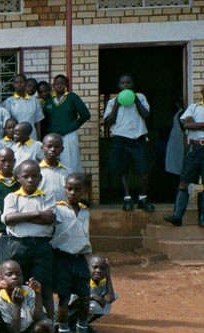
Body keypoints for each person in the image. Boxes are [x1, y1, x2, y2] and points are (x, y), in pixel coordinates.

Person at [1, 159, 57, 333]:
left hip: (41, 246)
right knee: (16, 287)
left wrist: (22, 216)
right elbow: (9, 219)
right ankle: (19, 329)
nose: (30, 180)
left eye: (34, 176)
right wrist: (37, 214)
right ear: (18, 178)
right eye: (25, 176)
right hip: (19, 245)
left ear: (40, 178)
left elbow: (49, 219)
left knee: (44, 288)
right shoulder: (11, 197)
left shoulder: (47, 196)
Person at [51, 173, 97, 333]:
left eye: (78, 190)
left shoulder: (85, 212)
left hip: (80, 259)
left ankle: (82, 330)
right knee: (64, 298)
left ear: (85, 191)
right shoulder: (58, 210)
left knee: (85, 297)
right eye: (69, 189)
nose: (73, 193)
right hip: (62, 258)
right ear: (64, 189)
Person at [103, 74, 153, 211]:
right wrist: (116, 106)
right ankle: (127, 198)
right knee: (122, 169)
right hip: (120, 138)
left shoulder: (141, 97)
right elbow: (107, 123)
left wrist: (136, 101)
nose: (125, 85)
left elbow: (146, 115)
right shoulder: (112, 102)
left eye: (128, 83)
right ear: (119, 86)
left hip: (139, 137)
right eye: (123, 83)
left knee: (143, 169)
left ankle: (143, 198)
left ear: (132, 85)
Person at [0, 260, 54, 333]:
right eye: (9, 274)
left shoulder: (28, 291)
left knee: (47, 323)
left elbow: (38, 317)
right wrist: (17, 305)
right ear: (1, 279)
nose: (14, 277)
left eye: (18, 274)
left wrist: (38, 294)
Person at [164, 85, 204, 226]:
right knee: (184, 181)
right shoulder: (194, 107)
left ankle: (202, 218)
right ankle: (178, 215)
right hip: (193, 148)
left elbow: (191, 124)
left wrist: (195, 124)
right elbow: (186, 125)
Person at [42, 75, 91, 173]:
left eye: (62, 83)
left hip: (69, 135)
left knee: (71, 162)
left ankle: (72, 184)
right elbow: (44, 121)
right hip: (54, 138)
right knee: (54, 163)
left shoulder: (72, 97)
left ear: (66, 85)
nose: (59, 86)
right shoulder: (48, 102)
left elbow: (85, 115)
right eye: (57, 84)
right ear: (53, 86)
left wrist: (71, 127)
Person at [2, 74, 44, 141]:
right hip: (16, 138)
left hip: (32, 137)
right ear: (13, 84)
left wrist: (38, 140)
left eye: (21, 82)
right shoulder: (8, 102)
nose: (19, 84)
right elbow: (7, 124)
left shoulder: (34, 101)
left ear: (26, 83)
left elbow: (38, 122)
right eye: (16, 82)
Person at [39, 133, 71, 204]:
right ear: (42, 148)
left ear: (62, 149)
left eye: (57, 147)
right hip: (42, 212)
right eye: (49, 146)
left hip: (63, 212)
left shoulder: (68, 172)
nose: (53, 149)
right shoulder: (36, 171)